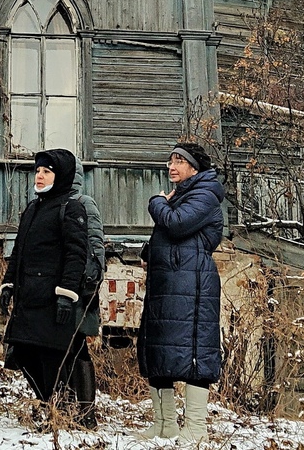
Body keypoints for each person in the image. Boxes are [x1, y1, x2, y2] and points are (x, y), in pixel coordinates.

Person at [0, 149, 101, 426]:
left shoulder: (72, 207)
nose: (40, 176)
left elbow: (76, 255)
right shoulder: (33, 208)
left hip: (53, 298)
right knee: (22, 352)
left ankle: (67, 411)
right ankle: (52, 403)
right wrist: (8, 284)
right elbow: (18, 251)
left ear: (62, 175)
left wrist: (67, 295)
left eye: (47, 171)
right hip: (28, 296)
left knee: (54, 356)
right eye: (38, 171)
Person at [136, 142, 225, 443]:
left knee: (194, 355)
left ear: (194, 167)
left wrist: (156, 202)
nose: (171, 167)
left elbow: (176, 225)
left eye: (179, 161)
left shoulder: (205, 194)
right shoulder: (184, 194)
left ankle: (196, 430)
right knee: (159, 350)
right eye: (170, 161)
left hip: (193, 285)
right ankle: (165, 424)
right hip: (169, 282)